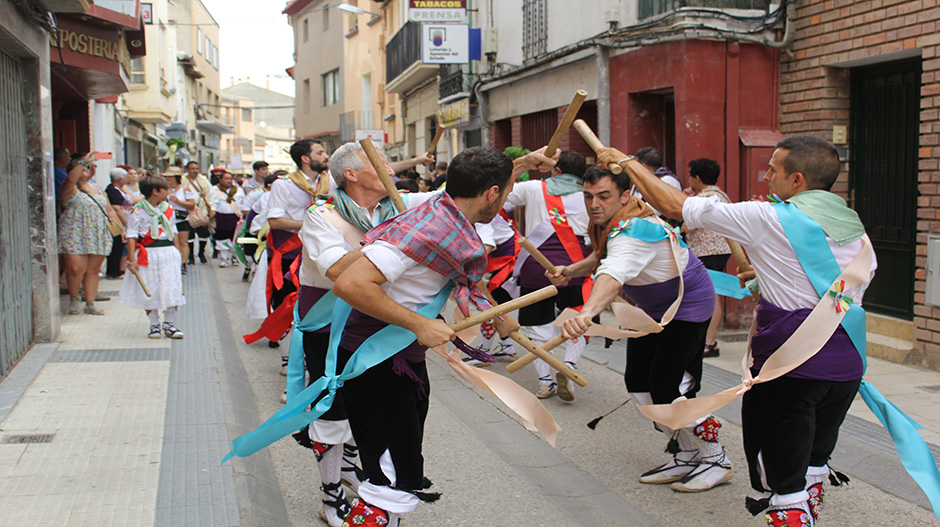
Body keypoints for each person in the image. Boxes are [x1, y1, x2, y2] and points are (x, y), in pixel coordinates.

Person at [596, 135, 877, 526]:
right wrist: (767, 278)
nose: (766, 176)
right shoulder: (855, 230)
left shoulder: (769, 217)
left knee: (784, 482)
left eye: (773, 169)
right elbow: (842, 290)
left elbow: (672, 205)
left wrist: (626, 162)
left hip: (792, 368)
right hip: (846, 367)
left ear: (796, 180)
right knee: (812, 464)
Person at [331, 145, 553, 527]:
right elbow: (350, 284)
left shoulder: (448, 216)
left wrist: (491, 313)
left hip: (403, 362)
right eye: (504, 191)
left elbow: (460, 275)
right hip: (378, 360)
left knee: (397, 470)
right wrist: (418, 323)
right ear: (492, 193)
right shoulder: (426, 229)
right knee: (390, 480)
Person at [555, 166, 732, 493]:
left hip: (686, 307)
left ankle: (715, 456)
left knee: (666, 389)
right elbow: (601, 256)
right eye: (588, 196)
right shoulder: (614, 223)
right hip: (650, 309)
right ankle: (687, 451)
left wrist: (589, 312)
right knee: (638, 383)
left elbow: (614, 271)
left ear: (625, 196)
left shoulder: (634, 231)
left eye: (604, 196)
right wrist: (572, 271)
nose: (594, 204)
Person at [293, 142, 421, 527]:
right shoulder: (321, 216)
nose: (388, 164)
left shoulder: (399, 206)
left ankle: (359, 473)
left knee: (376, 409)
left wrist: (520, 166)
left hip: (377, 322)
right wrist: (394, 242)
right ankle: (331, 498)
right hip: (329, 326)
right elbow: (338, 271)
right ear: (350, 173)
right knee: (333, 412)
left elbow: (460, 196)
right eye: (377, 160)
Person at [504, 150, 591, 401]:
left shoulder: (533, 188)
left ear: (556, 170)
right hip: (575, 267)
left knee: (536, 324)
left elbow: (503, 190)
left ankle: (545, 382)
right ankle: (570, 368)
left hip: (536, 266)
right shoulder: (589, 196)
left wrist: (528, 163)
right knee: (576, 319)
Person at [119, 175, 185, 339]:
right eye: (167, 189)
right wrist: (132, 261)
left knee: (171, 286)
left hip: (168, 252)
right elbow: (132, 235)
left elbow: (174, 233)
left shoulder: (169, 210)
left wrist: (179, 255)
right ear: (155, 192)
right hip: (148, 253)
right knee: (150, 287)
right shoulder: (136, 212)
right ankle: (154, 324)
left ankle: (170, 324)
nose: (169, 192)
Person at [683, 158, 732, 358]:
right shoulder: (721, 195)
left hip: (706, 251)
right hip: (721, 250)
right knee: (715, 293)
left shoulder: (702, 198)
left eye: (690, 176)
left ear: (697, 178)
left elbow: (689, 226)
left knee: (710, 295)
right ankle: (709, 340)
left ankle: (708, 342)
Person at [58, 153, 117, 315]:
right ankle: (74, 298)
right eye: (83, 167)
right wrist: (83, 161)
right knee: (76, 268)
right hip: (75, 231)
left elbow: (109, 210)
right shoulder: (69, 187)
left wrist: (120, 229)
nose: (87, 169)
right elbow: (71, 179)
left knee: (93, 270)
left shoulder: (97, 187)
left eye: (89, 167)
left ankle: (90, 303)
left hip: (98, 232)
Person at [164, 167, 197, 275]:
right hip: (167, 219)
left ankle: (183, 263)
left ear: (176, 177)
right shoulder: (164, 188)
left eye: (170, 176)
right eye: (166, 176)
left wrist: (178, 201)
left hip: (181, 218)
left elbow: (192, 204)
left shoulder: (185, 189)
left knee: (183, 241)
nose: (168, 178)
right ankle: (173, 262)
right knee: (172, 241)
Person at [210, 171, 245, 267]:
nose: (228, 181)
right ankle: (224, 258)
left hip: (236, 217)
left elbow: (243, 203)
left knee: (235, 239)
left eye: (230, 179)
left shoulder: (239, 190)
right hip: (221, 217)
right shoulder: (215, 190)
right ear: (220, 180)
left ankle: (234, 257)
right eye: (226, 179)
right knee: (221, 238)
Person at [182, 161, 214, 265]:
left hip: (201, 211)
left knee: (204, 233)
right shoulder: (182, 180)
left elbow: (211, 195)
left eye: (196, 168)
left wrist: (212, 208)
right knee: (189, 235)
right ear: (187, 170)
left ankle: (201, 253)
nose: (195, 171)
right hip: (187, 212)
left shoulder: (203, 180)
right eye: (192, 169)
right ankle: (191, 256)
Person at [105, 167, 132, 279]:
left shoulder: (120, 189)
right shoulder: (113, 190)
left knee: (120, 245)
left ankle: (117, 270)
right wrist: (125, 223)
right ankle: (114, 271)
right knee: (117, 245)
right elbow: (116, 209)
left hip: (121, 222)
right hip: (115, 223)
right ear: (121, 179)